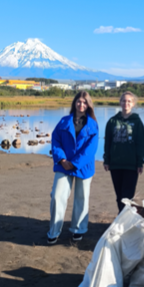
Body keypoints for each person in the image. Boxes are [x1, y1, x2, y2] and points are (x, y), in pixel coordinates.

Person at [48, 91, 99, 245]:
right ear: (74, 103)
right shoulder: (64, 121)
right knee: (57, 196)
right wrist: (62, 159)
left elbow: (91, 148)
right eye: (79, 101)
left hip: (83, 166)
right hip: (63, 165)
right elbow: (55, 140)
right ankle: (54, 231)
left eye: (85, 102)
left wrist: (75, 163)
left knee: (81, 198)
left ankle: (78, 229)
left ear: (89, 104)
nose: (81, 104)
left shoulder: (92, 124)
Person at [103, 92, 144, 213]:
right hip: (115, 164)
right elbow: (108, 143)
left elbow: (141, 143)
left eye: (129, 101)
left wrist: (140, 162)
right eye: (124, 101)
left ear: (133, 104)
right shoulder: (112, 121)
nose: (126, 103)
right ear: (120, 102)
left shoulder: (137, 122)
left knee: (127, 197)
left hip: (131, 165)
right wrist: (106, 160)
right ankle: (122, 217)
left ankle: (124, 219)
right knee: (119, 196)